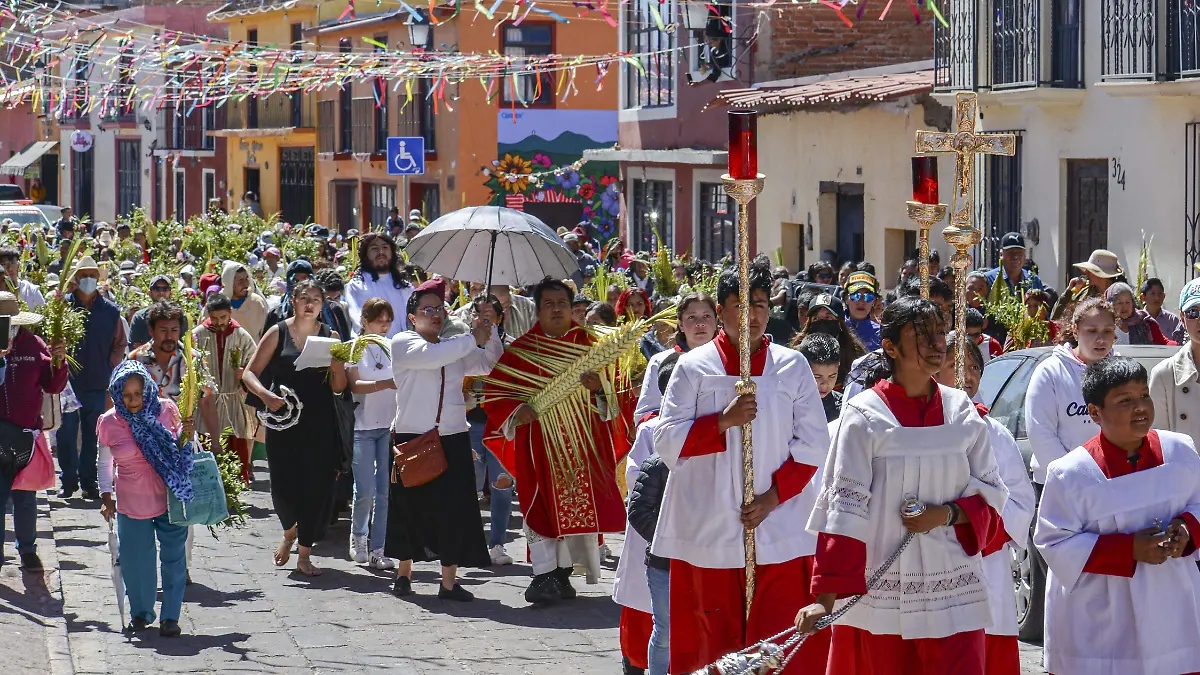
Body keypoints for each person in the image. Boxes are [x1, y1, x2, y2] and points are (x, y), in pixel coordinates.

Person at [797, 296, 1007, 674]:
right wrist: (824, 600)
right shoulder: (864, 416)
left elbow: (993, 496)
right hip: (882, 587)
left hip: (954, 587)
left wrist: (946, 514)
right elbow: (844, 509)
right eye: (922, 335)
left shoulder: (962, 412)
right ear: (890, 346)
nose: (937, 344)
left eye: (940, 332)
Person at [654, 262, 832, 674]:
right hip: (710, 527)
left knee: (777, 643)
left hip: (779, 526)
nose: (751, 315)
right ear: (721, 309)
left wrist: (772, 498)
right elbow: (666, 442)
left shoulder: (792, 366)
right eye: (739, 305)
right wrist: (721, 421)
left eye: (760, 304)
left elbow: (814, 444)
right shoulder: (694, 366)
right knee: (710, 644)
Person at [1035, 357, 1200, 675]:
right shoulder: (1071, 473)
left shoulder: (1181, 452)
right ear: (1095, 412)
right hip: (1100, 617)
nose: (1140, 407)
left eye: (1144, 396)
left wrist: (1187, 529)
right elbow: (1054, 542)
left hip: (1172, 607)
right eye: (1125, 401)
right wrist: (1129, 550)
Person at [482, 279, 626, 604]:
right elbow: (495, 392)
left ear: (573, 306)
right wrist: (517, 410)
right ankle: (544, 574)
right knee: (539, 506)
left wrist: (599, 389)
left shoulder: (591, 345)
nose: (557, 308)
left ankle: (564, 574)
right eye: (549, 303)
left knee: (578, 506)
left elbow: (618, 391)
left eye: (562, 302)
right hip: (538, 446)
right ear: (537, 309)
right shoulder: (521, 349)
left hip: (580, 445)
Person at [388, 279, 500, 600]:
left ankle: (448, 582)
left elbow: (488, 364)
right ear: (412, 317)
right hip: (412, 437)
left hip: (452, 436)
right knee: (410, 509)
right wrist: (470, 338)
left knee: (454, 510)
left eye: (440, 308)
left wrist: (488, 331)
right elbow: (431, 356)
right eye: (427, 310)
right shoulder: (402, 342)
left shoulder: (454, 345)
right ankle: (404, 572)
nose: (435, 314)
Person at [937, 335, 1035, 675]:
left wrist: (980, 529)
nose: (967, 374)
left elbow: (1021, 502)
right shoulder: (916, 430)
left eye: (974, 366)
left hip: (985, 565)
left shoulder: (995, 432)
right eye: (955, 364)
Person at [242, 279, 348, 576]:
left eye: (316, 298)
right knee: (284, 488)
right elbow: (251, 373)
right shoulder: (278, 332)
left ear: (323, 304)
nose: (310, 304)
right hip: (283, 421)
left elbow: (339, 388)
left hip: (320, 422)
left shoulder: (332, 336)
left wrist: (339, 367)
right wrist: (264, 395)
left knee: (317, 487)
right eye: (305, 298)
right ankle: (289, 531)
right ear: (293, 301)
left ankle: (304, 554)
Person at [97, 361, 192, 638]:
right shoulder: (110, 421)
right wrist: (106, 496)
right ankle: (141, 613)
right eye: (127, 395)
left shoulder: (166, 410)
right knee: (135, 559)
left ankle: (170, 617)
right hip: (131, 500)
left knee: (175, 558)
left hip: (169, 496)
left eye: (138, 394)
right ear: (117, 394)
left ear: (147, 390)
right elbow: (104, 464)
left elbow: (182, 448)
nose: (134, 401)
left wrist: (189, 432)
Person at [614, 353, 679, 675]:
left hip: (696, 537)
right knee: (655, 618)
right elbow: (636, 481)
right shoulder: (651, 429)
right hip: (655, 534)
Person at [0, 293, 68, 573]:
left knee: (26, 497)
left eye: (10, 323)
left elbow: (52, 386)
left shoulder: (34, 344)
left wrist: (60, 361)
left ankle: (27, 550)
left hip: (26, 436)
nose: (8, 329)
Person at [1025, 297, 1117, 486]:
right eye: (1091, 331)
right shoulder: (1050, 371)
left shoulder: (1122, 371)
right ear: (1075, 330)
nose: (1100, 339)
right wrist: (1074, 477)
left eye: (1107, 331)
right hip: (1057, 484)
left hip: (1111, 482)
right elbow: (1041, 433)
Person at [57, 256, 127, 500]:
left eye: (92, 276)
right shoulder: (62, 308)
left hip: (98, 381)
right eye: (83, 275)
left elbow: (120, 343)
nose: (88, 280)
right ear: (75, 279)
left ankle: (89, 482)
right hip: (66, 383)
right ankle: (68, 481)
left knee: (92, 434)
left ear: (98, 280)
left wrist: (109, 365)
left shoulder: (110, 311)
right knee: (65, 433)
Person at [346, 298, 398, 569]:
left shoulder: (392, 346)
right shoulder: (355, 346)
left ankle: (379, 547)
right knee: (364, 489)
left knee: (384, 491)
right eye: (380, 320)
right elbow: (354, 385)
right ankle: (358, 537)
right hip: (362, 427)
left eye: (388, 321)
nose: (385, 326)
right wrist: (386, 383)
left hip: (387, 426)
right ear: (365, 320)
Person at [193, 294, 258, 485]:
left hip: (233, 402)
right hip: (206, 403)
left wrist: (244, 373)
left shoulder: (241, 336)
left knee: (234, 452)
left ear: (230, 313)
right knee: (205, 453)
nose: (219, 323)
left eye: (223, 317)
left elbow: (255, 365)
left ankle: (233, 496)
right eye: (214, 318)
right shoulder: (197, 335)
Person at [633, 292, 717, 420]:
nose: (700, 323)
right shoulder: (660, 362)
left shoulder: (727, 361)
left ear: (716, 321)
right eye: (692, 317)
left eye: (706, 316)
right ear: (681, 324)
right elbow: (645, 415)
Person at [1149, 278, 1200, 448]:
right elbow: (1159, 443)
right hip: (1185, 472)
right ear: (1183, 319)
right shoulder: (1164, 374)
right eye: (1193, 312)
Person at [344, 233, 413, 339]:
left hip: (401, 348)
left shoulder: (404, 286)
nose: (381, 252)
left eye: (385, 247)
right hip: (369, 347)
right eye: (374, 248)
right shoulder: (357, 285)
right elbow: (358, 320)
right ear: (365, 254)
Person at [792, 293, 867, 388]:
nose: (821, 323)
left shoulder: (854, 355)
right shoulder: (797, 354)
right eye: (816, 318)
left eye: (828, 317)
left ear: (839, 322)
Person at [128, 276, 190, 350]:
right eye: (156, 289)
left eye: (165, 289)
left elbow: (183, 345)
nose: (161, 293)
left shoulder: (180, 317)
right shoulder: (139, 317)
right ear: (149, 293)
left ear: (171, 292)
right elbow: (134, 347)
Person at [1106, 282, 1173, 345]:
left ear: (1133, 303)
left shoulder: (1145, 322)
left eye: (1128, 302)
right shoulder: (1104, 325)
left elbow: (1164, 343)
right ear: (1111, 305)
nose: (1125, 307)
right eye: (1119, 303)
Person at [219, 261, 270, 340]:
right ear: (229, 282)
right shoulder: (217, 304)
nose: (245, 283)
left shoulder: (257, 302)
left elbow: (267, 333)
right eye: (240, 280)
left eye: (246, 278)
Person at [797, 332, 842, 422]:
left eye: (832, 376)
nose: (825, 385)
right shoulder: (789, 403)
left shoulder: (843, 406)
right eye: (817, 377)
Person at [844, 271, 881, 352]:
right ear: (846, 298)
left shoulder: (880, 333)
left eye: (868, 297)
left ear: (874, 301)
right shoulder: (835, 327)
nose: (861, 302)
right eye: (855, 296)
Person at [1141, 277, 1185, 343]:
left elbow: (1178, 344)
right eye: (1153, 294)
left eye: (1160, 294)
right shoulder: (1137, 319)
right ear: (1143, 297)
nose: (1157, 298)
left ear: (1164, 296)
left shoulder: (1172, 320)